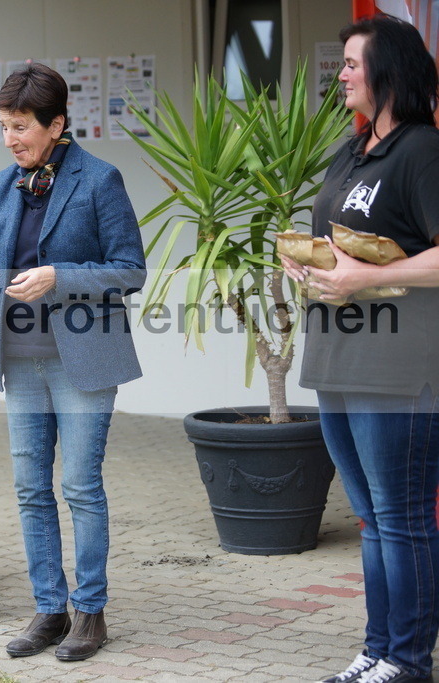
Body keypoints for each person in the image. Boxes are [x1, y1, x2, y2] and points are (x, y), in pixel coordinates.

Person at [0, 64, 146, 661]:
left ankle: (90, 613)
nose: (11, 139)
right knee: (30, 490)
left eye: (21, 126)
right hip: (20, 359)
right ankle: (49, 609)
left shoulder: (100, 180)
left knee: (79, 487)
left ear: (56, 124)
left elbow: (130, 268)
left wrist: (61, 279)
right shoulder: (3, 186)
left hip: (83, 360)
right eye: (3, 126)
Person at [278, 16, 439, 683]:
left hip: (400, 367)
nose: (340, 74)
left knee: (402, 519)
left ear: (389, 70)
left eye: (351, 63)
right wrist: (306, 261)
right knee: (374, 518)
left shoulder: (423, 151)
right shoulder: (353, 152)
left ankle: (410, 659)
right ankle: (377, 650)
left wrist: (366, 277)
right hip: (337, 356)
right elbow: (339, 243)